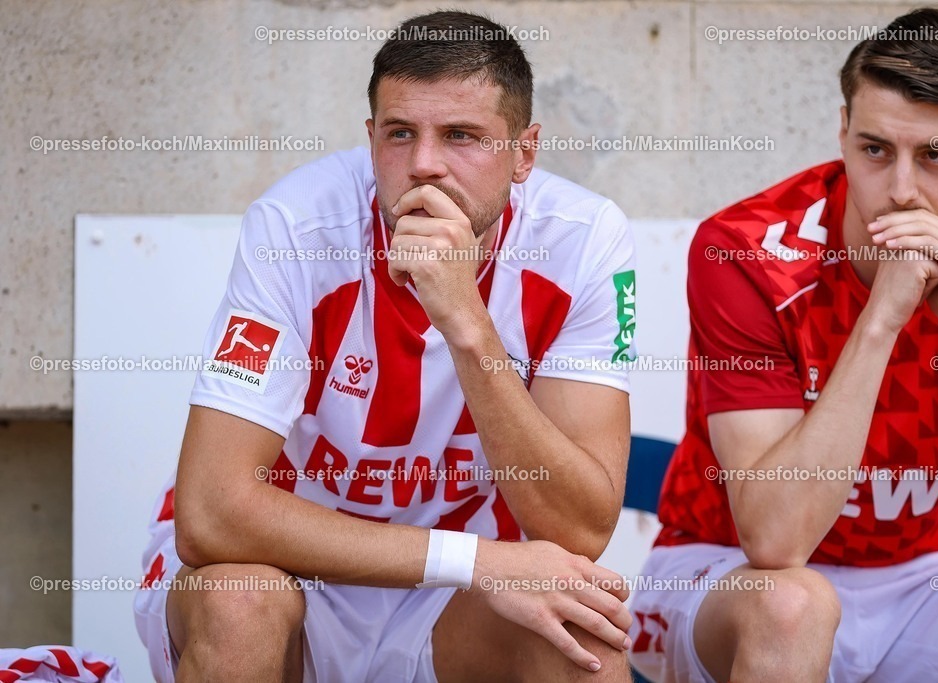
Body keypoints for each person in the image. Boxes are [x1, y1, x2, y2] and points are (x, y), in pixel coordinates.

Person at [133, 10, 639, 682]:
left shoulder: (585, 240)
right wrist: (478, 560)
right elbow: (210, 511)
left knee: (584, 634)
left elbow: (578, 528)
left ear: (525, 151)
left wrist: (468, 321)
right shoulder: (296, 226)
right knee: (236, 601)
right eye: (401, 134)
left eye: (462, 135)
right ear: (371, 138)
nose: (424, 164)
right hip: (288, 571)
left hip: (449, 602)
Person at [630, 8, 938, 682]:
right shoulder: (747, 250)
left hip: (929, 578)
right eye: (875, 149)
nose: (901, 190)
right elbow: (774, 538)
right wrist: (882, 319)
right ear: (842, 132)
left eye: (936, 156)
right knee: (792, 607)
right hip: (731, 573)